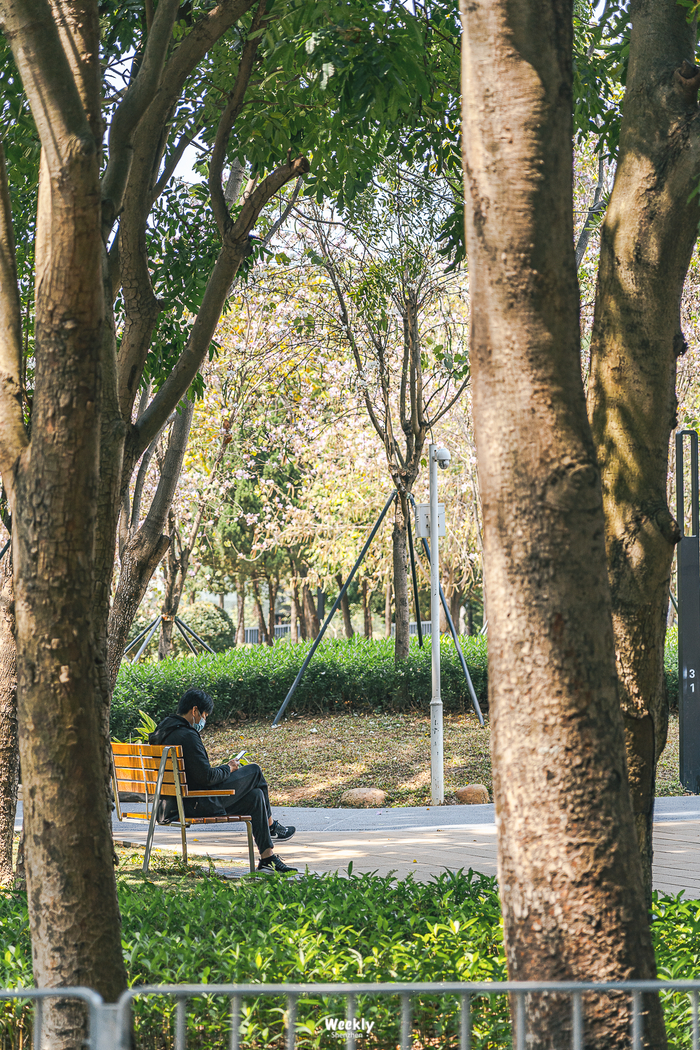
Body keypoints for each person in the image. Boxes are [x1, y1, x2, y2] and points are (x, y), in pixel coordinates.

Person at [149, 687, 297, 873]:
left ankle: (267, 859)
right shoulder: (187, 735)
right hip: (194, 803)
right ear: (194, 711)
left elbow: (197, 774)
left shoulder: (162, 731)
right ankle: (272, 826)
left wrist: (222, 770)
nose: (204, 720)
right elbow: (207, 777)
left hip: (171, 805)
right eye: (204, 715)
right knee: (254, 771)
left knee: (256, 795)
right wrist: (228, 768)